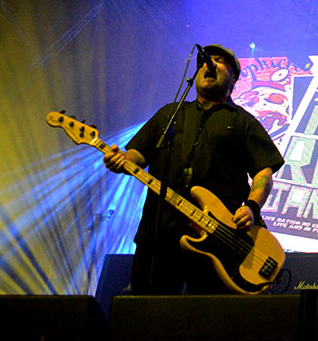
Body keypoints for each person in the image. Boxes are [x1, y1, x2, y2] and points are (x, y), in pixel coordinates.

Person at [103, 44, 284, 294]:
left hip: (220, 240)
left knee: (209, 312)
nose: (209, 64)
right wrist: (122, 159)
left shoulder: (243, 122)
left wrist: (252, 208)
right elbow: (138, 154)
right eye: (204, 62)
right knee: (147, 311)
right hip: (160, 236)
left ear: (234, 78)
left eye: (219, 61)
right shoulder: (169, 115)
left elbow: (264, 171)